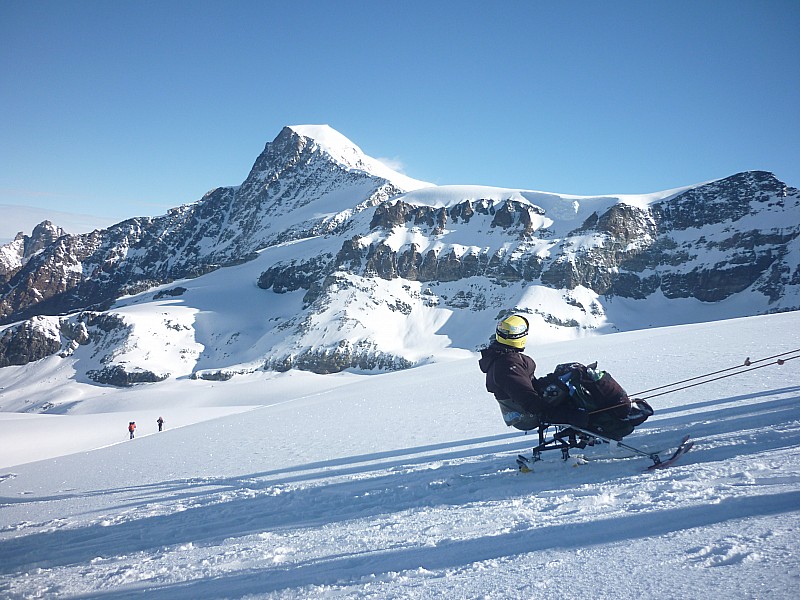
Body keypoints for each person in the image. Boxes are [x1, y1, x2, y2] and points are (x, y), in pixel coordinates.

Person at [478, 314, 589, 431]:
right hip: (528, 416)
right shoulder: (508, 364)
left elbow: (526, 385)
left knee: (569, 374)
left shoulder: (501, 356)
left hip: (523, 410)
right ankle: (602, 423)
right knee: (577, 384)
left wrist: (553, 378)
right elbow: (526, 397)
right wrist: (565, 415)